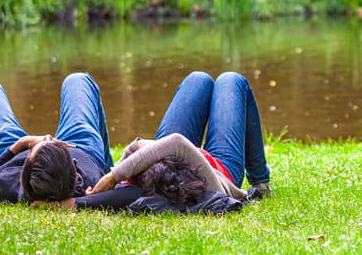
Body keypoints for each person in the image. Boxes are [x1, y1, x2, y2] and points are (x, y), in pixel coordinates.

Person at [81, 71, 270, 213]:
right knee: (231, 81)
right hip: (221, 166)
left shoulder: (139, 180)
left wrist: (111, 180)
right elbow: (175, 143)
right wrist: (114, 176)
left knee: (198, 79)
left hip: (171, 160)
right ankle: (260, 179)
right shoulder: (212, 186)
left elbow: (141, 149)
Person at [0, 73, 114, 205]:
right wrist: (110, 178)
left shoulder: (6, 182)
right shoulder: (93, 186)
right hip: (84, 149)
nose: (47, 140)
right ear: (75, 176)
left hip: (12, 153)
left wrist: (21, 144)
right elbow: (129, 192)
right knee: (79, 80)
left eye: (40, 145)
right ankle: (107, 168)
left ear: (20, 177)